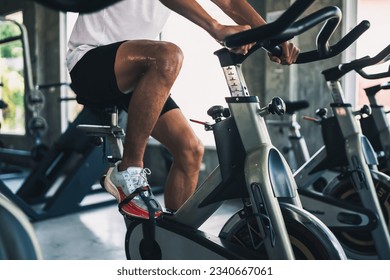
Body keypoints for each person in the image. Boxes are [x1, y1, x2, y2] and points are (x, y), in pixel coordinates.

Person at [66, 0, 300, 220]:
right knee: (168, 56)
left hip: (139, 70)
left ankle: (176, 239)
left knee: (190, 151)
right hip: (90, 60)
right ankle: (127, 170)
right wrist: (215, 27)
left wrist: (273, 37)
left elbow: (229, 2)